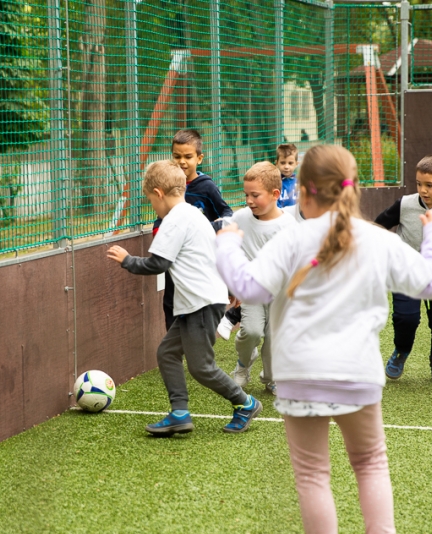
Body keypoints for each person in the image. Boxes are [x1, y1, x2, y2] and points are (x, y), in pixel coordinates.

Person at [216, 144, 432, 534]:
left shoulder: (292, 238)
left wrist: (228, 243)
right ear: (352, 190)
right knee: (369, 464)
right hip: (356, 372)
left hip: (299, 375)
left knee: (312, 476)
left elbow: (249, 288)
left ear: (303, 193)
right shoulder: (376, 239)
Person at [107, 160, 262, 435]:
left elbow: (158, 264)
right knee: (167, 353)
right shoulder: (193, 214)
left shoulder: (175, 219)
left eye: (150, 202)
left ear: (158, 193)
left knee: (202, 367)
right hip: (199, 302)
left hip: (201, 303)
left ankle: (246, 404)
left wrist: (127, 260)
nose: (153, 207)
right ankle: (179, 413)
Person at [374, 155, 432, 385]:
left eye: (429, 185)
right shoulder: (405, 204)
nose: (423, 190)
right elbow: (379, 225)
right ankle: (400, 352)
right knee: (405, 319)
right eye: (418, 184)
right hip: (405, 274)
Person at [227, 162, 296, 395]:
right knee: (252, 332)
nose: (248, 200)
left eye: (255, 195)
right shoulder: (240, 218)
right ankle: (244, 362)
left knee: (275, 339)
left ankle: (271, 378)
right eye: (246, 194)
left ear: (275, 194)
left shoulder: (288, 225)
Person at [158, 129, 233, 331]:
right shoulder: (169, 185)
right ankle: (173, 349)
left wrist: (213, 226)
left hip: (199, 259)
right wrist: (159, 232)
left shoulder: (206, 186)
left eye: (188, 157)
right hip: (174, 257)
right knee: (170, 301)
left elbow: (227, 213)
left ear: (199, 158)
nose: (182, 161)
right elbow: (161, 216)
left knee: (198, 304)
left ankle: (199, 342)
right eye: (177, 156)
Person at [277, 143, 299, 208]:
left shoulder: (301, 181)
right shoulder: (275, 182)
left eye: (290, 163)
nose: (286, 167)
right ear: (277, 163)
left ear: (296, 164)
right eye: (283, 163)